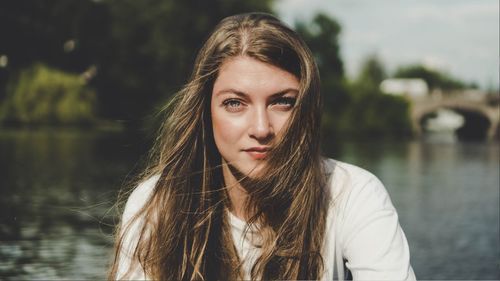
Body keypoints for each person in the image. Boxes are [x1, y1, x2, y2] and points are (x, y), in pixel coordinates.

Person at [108, 12, 416, 281]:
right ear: (205, 112)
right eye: (234, 103)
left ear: (306, 110)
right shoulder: (157, 203)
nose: (261, 129)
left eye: (283, 103)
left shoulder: (352, 195)